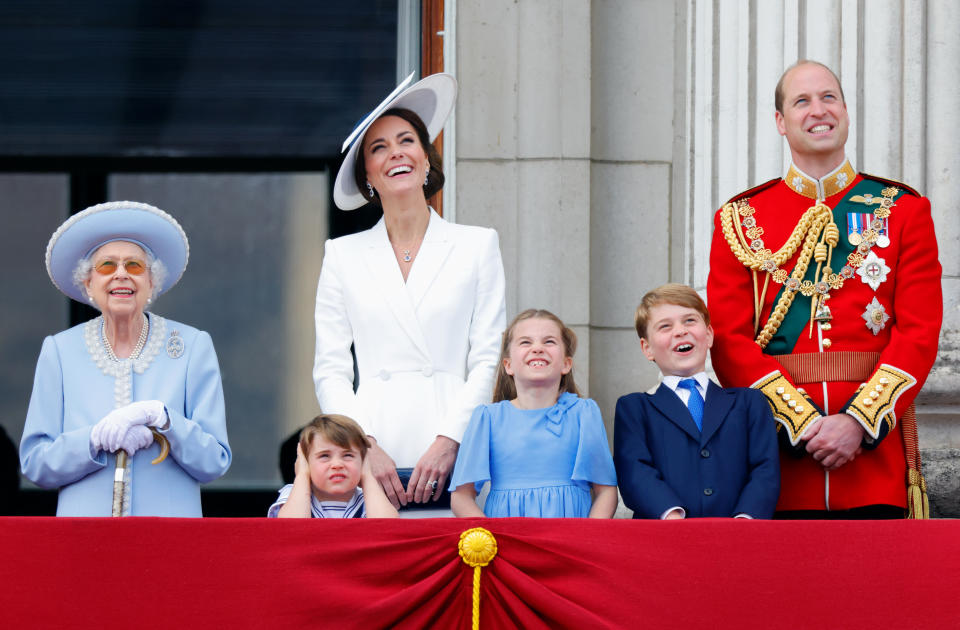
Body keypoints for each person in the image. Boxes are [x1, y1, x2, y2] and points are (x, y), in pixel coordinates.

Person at [707, 60, 942, 518]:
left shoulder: (903, 210)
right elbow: (729, 340)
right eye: (802, 100)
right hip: (778, 468)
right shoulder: (740, 219)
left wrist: (858, 421)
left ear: (846, 112)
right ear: (780, 122)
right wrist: (801, 424)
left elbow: (919, 333)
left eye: (829, 97)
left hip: (873, 466)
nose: (819, 110)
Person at [315, 73, 506, 512]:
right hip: (372, 445)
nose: (395, 152)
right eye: (378, 148)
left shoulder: (477, 244)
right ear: (368, 176)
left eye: (406, 141)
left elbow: (487, 358)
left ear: (425, 159)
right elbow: (330, 369)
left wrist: (450, 440)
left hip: (457, 445)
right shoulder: (342, 255)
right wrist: (361, 446)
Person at [20, 201, 231, 516]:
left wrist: (164, 419)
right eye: (107, 266)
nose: (121, 275)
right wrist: (92, 440)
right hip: (84, 537)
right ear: (89, 283)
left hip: (169, 537)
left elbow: (214, 461)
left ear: (151, 283)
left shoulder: (192, 346)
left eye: (134, 266)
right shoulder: (60, 351)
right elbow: (36, 463)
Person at [613, 284, 780, 519]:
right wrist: (671, 516)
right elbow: (635, 472)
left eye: (690, 320)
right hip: (664, 539)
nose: (680, 331)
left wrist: (745, 519)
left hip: (739, 537)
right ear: (647, 348)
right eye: (665, 326)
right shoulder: (635, 409)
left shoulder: (749, 403)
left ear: (709, 335)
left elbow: (765, 469)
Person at [449, 309, 618, 518]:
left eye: (549, 342)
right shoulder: (488, 418)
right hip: (507, 541)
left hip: (569, 541)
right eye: (526, 342)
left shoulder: (584, 414)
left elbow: (606, 491)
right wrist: (490, 539)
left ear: (566, 364)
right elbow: (461, 496)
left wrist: (586, 540)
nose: (537, 348)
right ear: (508, 365)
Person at [268, 414, 398, 518]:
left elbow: (388, 527)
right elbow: (290, 528)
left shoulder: (369, 498)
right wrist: (302, 475)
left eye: (348, 455)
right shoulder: (295, 493)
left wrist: (367, 476)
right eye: (324, 456)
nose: (337, 465)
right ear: (306, 463)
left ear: (363, 461)